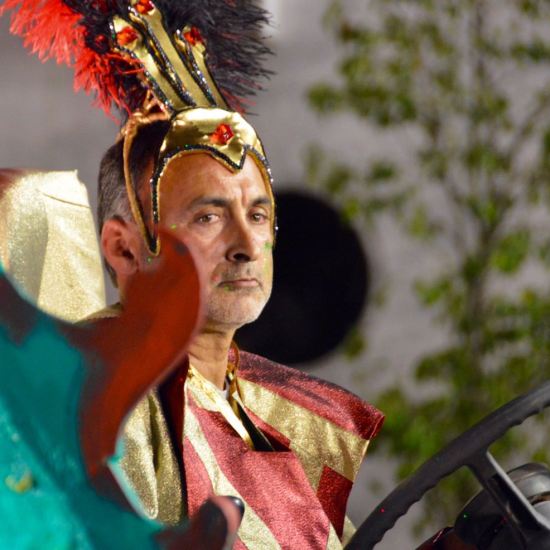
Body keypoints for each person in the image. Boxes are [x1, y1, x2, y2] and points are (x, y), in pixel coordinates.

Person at [2, 0, 384, 546]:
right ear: (125, 251)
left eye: (258, 215)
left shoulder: (267, 415)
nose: (247, 246)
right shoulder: (88, 398)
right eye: (208, 217)